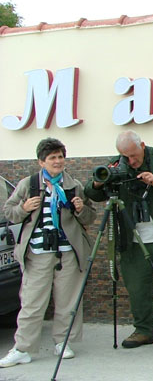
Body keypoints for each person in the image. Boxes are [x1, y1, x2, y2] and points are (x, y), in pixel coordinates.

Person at [84, 130, 153, 358]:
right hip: (133, 241)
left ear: (142, 145)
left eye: (134, 155)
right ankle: (144, 330)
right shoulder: (117, 164)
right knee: (137, 289)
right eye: (125, 156)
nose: (130, 161)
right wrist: (97, 183)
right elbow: (93, 193)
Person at [0, 138, 96, 368]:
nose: (58, 161)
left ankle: (63, 342)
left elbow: (90, 216)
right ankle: (23, 348)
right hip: (37, 252)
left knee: (68, 301)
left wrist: (81, 209)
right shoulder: (28, 184)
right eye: (52, 157)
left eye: (60, 157)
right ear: (41, 162)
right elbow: (9, 212)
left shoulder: (74, 185)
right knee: (32, 302)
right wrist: (24, 208)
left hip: (68, 251)